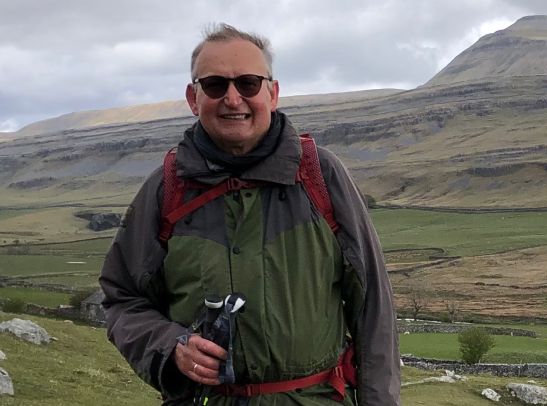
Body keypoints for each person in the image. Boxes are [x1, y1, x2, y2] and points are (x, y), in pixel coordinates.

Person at [99, 23, 401, 405]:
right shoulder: (166, 188)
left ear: (272, 94)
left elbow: (372, 305)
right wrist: (170, 346)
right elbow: (122, 298)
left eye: (248, 83)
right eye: (214, 85)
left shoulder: (320, 175)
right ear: (194, 98)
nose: (232, 98)